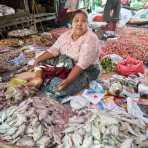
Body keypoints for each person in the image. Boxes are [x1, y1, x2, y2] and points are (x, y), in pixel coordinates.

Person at [15, 10, 100, 97]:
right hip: (66, 64)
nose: (79, 23)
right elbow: (54, 49)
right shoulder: (66, 34)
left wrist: (68, 80)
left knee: (59, 88)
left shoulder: (91, 39)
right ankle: (38, 77)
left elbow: (81, 65)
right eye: (76, 20)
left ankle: (42, 77)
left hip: (85, 70)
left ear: (87, 24)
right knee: (42, 58)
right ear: (71, 23)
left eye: (83, 21)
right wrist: (37, 59)